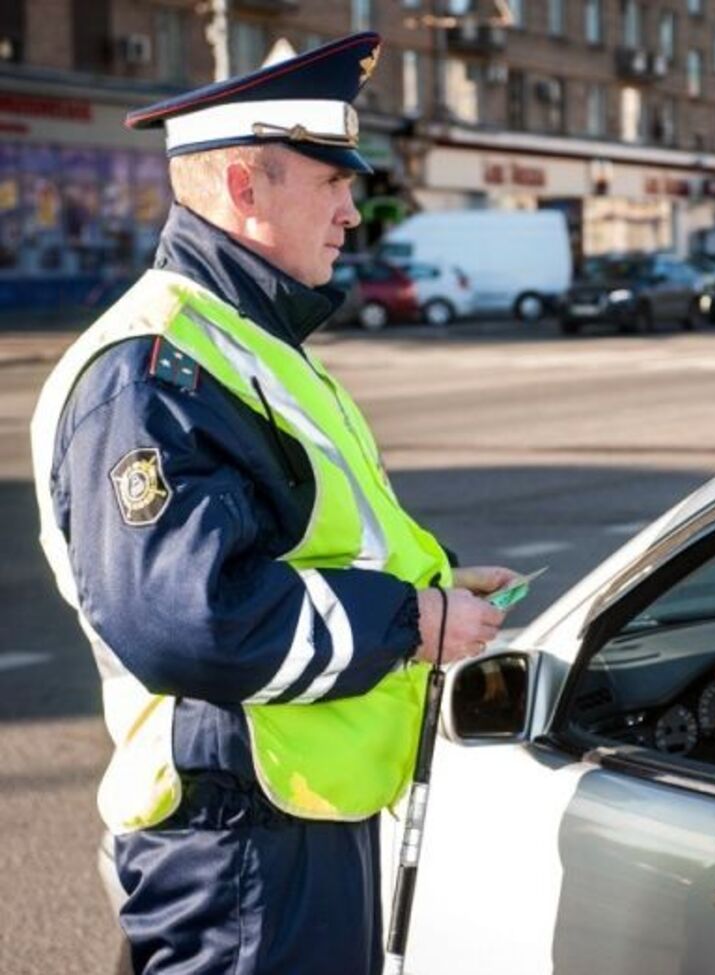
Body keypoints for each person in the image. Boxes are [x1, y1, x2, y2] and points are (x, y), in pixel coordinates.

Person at [30, 33, 517, 974]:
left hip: (289, 813)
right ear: (247, 188)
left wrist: (434, 580)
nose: (352, 210)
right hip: (238, 835)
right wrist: (412, 620)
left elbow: (299, 541)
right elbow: (190, 617)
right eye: (331, 182)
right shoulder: (153, 365)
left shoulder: (245, 341)